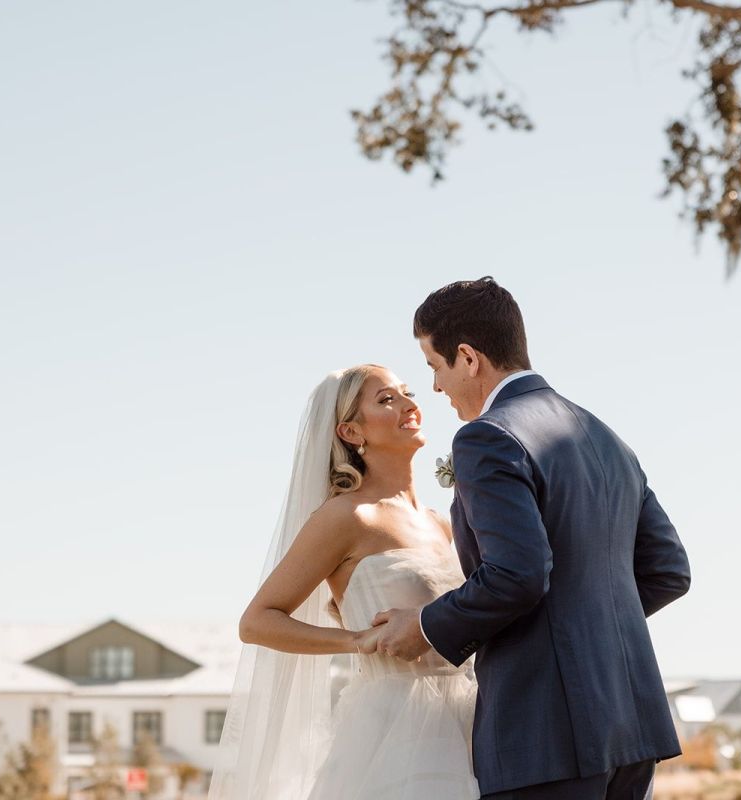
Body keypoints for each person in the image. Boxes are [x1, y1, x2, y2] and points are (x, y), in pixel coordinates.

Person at [369, 276, 692, 800]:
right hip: (632, 726)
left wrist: (427, 625)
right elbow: (668, 572)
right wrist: (583, 629)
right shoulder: (606, 437)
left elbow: (517, 574)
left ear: (468, 358)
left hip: (544, 734)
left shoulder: (487, 437)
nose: (436, 388)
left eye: (434, 366)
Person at [208, 364, 482, 799]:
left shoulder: (443, 522)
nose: (409, 405)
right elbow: (257, 621)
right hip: (395, 731)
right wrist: (357, 640)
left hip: (469, 723)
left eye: (407, 393)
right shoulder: (348, 516)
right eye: (387, 399)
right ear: (351, 432)